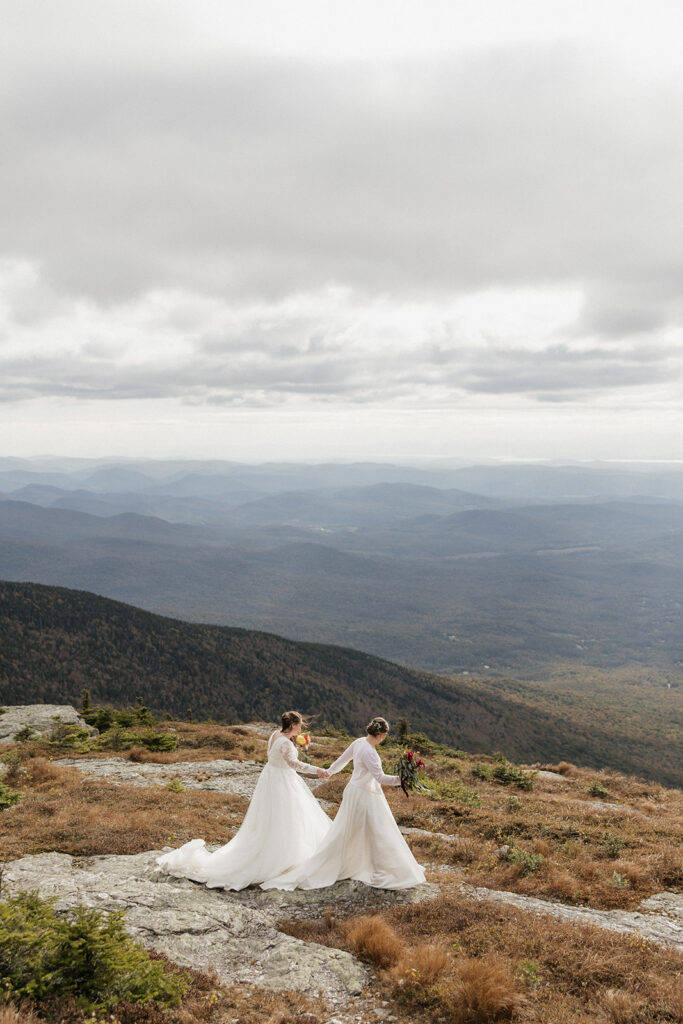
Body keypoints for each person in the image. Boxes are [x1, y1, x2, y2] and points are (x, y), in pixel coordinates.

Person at [156, 711, 330, 890]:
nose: (301, 728)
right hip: (282, 781)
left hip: (272, 778)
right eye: (300, 725)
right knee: (288, 816)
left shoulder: (274, 734)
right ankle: (284, 855)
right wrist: (317, 770)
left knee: (273, 817)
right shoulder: (285, 742)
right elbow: (294, 764)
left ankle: (277, 847)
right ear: (293, 725)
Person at [262, 716, 425, 891]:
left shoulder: (359, 742)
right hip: (365, 795)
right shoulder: (369, 751)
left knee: (350, 831)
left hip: (353, 791)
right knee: (379, 831)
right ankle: (383, 867)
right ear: (382, 735)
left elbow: (342, 760)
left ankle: (357, 862)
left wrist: (329, 771)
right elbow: (380, 778)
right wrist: (403, 779)